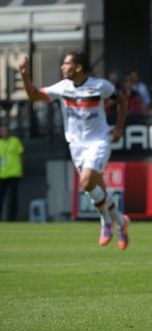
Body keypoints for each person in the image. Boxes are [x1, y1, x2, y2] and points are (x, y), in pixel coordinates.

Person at [19, 51, 131, 249]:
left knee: (86, 182)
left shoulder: (100, 86)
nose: (62, 67)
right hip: (76, 145)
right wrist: (25, 76)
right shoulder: (63, 87)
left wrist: (120, 128)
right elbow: (35, 95)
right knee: (96, 188)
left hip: (98, 141)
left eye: (66, 64)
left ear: (78, 67)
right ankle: (121, 223)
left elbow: (122, 99)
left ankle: (106, 222)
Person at [0, 123, 24, 221]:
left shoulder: (15, 141)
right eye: (2, 131)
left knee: (12, 197)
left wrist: (21, 167)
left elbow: (22, 154)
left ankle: (12, 218)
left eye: (5, 130)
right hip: (2, 174)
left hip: (14, 173)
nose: (4, 132)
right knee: (1, 197)